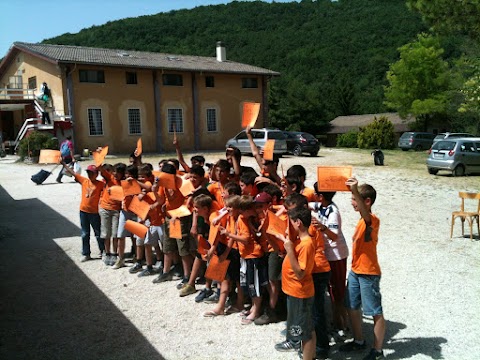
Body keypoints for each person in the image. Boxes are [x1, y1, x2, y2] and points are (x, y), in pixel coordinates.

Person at [340, 177, 385, 360]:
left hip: (368, 273)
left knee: (375, 311)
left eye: (354, 199)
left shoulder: (372, 219)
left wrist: (355, 190)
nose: (352, 203)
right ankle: (359, 341)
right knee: (351, 305)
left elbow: (367, 215)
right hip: (356, 271)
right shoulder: (361, 220)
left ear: (367, 201)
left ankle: (378, 351)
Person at [274, 207, 316, 360]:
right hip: (294, 291)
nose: (290, 225)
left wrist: (289, 250)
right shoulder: (300, 240)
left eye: (291, 222)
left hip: (301, 292)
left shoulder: (306, 244)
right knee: (300, 327)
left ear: (298, 222)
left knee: (306, 330)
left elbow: (300, 273)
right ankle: (307, 354)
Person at [309, 183, 349, 341]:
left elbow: (334, 235)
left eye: (315, 193)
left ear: (320, 196)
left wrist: (322, 227)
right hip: (327, 255)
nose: (313, 195)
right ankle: (336, 322)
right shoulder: (320, 205)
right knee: (331, 291)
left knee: (337, 292)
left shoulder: (333, 212)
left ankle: (343, 325)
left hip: (336, 256)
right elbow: (305, 203)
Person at [60, 161, 104, 262]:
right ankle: (86, 253)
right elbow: (73, 173)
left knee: (98, 233)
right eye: (88, 173)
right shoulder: (84, 181)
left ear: (97, 174)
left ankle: (103, 251)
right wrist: (64, 164)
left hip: (94, 213)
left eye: (92, 173)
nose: (89, 175)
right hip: (83, 211)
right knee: (85, 233)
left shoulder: (101, 184)